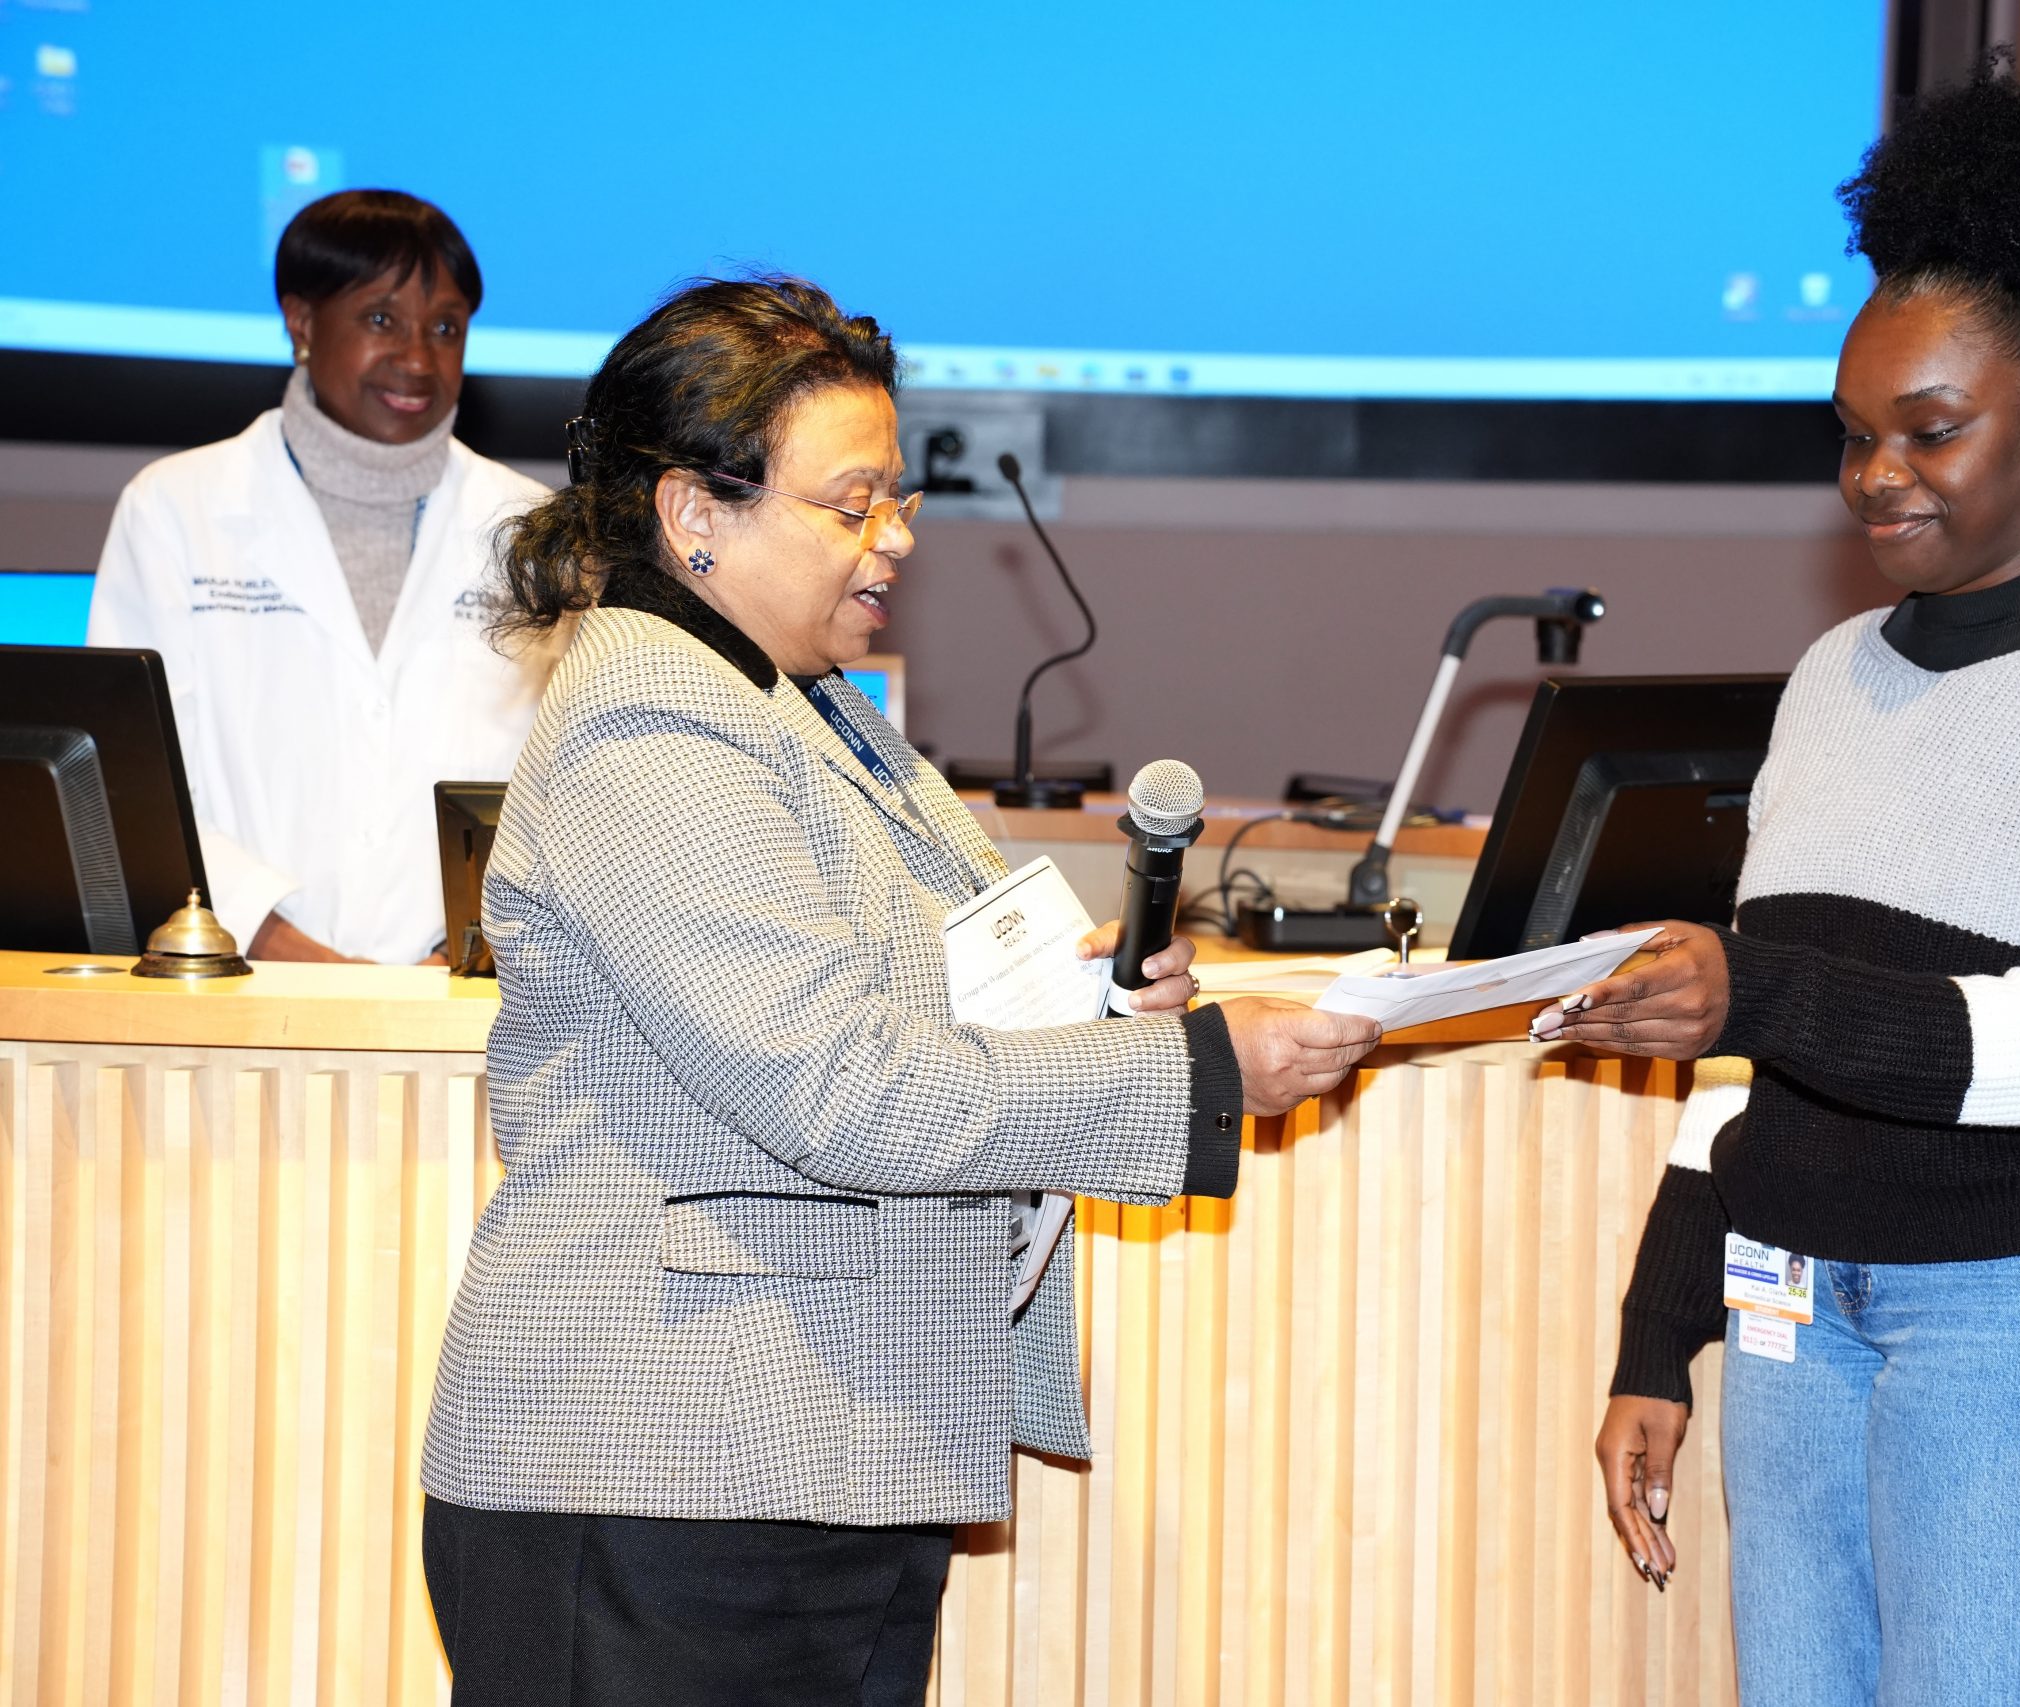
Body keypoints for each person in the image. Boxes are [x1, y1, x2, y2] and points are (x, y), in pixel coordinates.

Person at [417, 275, 1380, 1705]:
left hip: (819, 1452)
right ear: (694, 512)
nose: (896, 540)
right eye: (851, 500)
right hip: (662, 1475)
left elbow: (938, 995)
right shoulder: (651, 719)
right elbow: (842, 1086)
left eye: (899, 499)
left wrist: (1103, 1002)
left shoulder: (805, 710)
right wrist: (1202, 1073)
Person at [1554, 68, 2020, 1704]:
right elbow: (1765, 1048)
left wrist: (1762, 989)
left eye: (1929, 431)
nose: (1876, 472)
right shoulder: (1833, 676)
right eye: (1855, 434)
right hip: (1795, 1302)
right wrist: (1657, 1329)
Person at [89, 189, 561, 964]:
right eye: (381, 319)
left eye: (445, 328)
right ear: (302, 323)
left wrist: (468, 945)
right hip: (229, 984)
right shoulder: (178, 509)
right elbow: (133, 786)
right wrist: (282, 947)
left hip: (462, 1002)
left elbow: (560, 784)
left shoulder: (531, 531)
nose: (417, 357)